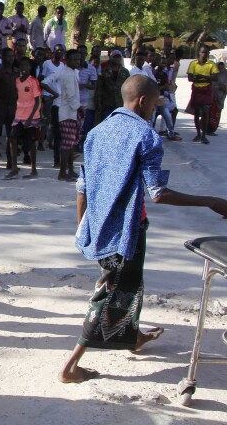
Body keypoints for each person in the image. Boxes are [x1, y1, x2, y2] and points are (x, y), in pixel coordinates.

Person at [59, 75, 227, 383]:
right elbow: (158, 192)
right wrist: (211, 201)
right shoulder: (146, 136)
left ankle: (131, 338)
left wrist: (83, 226)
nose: (155, 109)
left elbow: (82, 185)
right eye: (154, 103)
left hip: (99, 226)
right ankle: (71, 367)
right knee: (111, 293)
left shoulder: (96, 131)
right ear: (142, 101)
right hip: (126, 232)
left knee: (129, 285)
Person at [6, 57, 42, 179]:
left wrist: (30, 118)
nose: (24, 68)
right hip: (19, 114)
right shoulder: (17, 81)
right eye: (22, 66)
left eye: (26, 66)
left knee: (31, 142)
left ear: (30, 67)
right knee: (12, 138)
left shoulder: (33, 81)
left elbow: (37, 102)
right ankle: (15, 168)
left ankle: (33, 170)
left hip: (31, 116)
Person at [54, 49, 82, 181]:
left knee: (71, 144)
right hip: (68, 113)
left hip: (71, 112)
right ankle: (62, 172)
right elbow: (71, 96)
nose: (77, 62)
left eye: (78, 59)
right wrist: (79, 108)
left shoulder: (71, 72)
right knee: (67, 144)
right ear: (68, 60)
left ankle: (70, 170)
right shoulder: (68, 74)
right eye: (74, 59)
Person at [0, 47, 17, 171]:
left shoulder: (17, 72)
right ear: (2, 57)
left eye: (12, 56)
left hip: (13, 108)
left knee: (12, 136)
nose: (10, 59)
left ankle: (10, 162)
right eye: (8, 56)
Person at [187, 46, 218, 144]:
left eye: (206, 53)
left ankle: (204, 135)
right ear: (199, 53)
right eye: (202, 52)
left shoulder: (211, 64)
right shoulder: (193, 64)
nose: (204, 54)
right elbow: (190, 78)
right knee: (196, 112)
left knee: (206, 111)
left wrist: (201, 76)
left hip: (207, 90)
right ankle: (198, 134)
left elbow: (215, 78)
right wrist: (207, 78)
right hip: (197, 89)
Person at [96, 50, 129, 122]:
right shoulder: (104, 71)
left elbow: (128, 88)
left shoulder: (125, 72)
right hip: (107, 103)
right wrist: (98, 103)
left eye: (118, 57)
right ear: (111, 58)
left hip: (120, 103)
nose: (116, 59)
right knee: (106, 122)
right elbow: (99, 88)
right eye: (114, 57)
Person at [76, 45, 98, 146]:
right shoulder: (71, 66)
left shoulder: (91, 68)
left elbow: (93, 86)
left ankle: (78, 144)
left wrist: (84, 85)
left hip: (83, 100)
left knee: (81, 124)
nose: (81, 55)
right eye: (79, 53)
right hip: (70, 100)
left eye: (83, 53)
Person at [210, 61, 227, 134]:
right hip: (212, 96)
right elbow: (210, 85)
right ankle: (207, 128)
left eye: (222, 68)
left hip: (221, 97)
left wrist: (224, 87)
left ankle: (213, 129)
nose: (220, 69)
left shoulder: (226, 74)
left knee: (217, 114)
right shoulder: (213, 74)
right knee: (210, 113)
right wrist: (218, 87)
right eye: (218, 68)